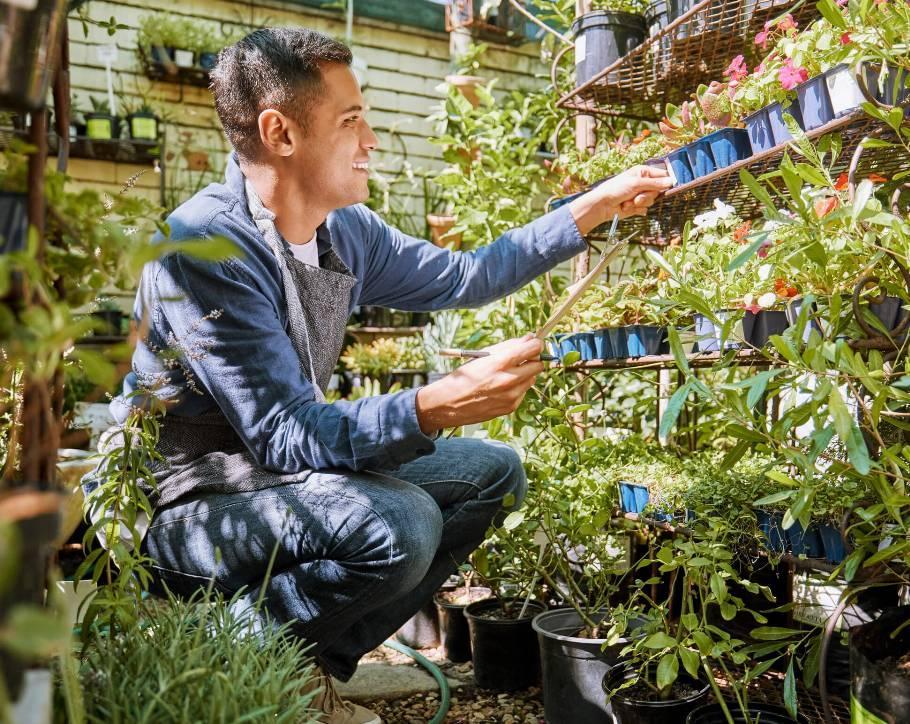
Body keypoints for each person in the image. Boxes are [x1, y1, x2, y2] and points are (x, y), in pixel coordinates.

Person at [114, 27, 671, 724]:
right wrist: (433, 405)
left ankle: (295, 665)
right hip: (191, 507)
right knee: (398, 524)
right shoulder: (204, 250)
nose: (371, 140)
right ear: (279, 132)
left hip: (275, 483)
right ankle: (210, 652)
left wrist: (587, 209)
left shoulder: (342, 232)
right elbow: (287, 434)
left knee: (491, 473)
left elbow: (469, 274)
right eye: (351, 121)